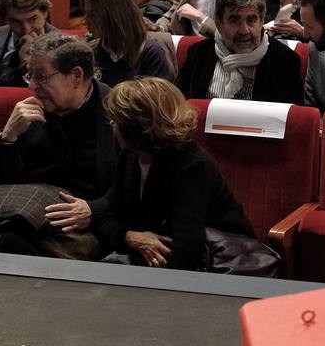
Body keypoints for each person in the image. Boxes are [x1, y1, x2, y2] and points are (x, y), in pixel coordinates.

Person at [0, 33, 115, 257]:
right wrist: (8, 137)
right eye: (30, 76)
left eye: (42, 77)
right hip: (26, 214)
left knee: (7, 244)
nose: (32, 87)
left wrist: (93, 209)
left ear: (76, 76)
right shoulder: (30, 112)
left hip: (83, 225)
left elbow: (134, 187)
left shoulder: (116, 112)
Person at [94, 78, 262, 272]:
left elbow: (186, 248)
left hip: (215, 262)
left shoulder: (191, 165)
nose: (112, 125)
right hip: (157, 258)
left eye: (118, 120)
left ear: (138, 128)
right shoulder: (130, 155)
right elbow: (107, 218)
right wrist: (129, 236)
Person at [177, 0, 302, 103]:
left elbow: (291, 119)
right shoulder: (198, 54)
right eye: (234, 21)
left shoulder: (285, 60)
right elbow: (179, 105)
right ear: (219, 23)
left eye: (251, 20)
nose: (244, 30)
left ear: (261, 21)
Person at [82, 0, 174, 86]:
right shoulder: (91, 51)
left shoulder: (151, 53)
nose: (84, 22)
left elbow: (158, 99)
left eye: (92, 16)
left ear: (114, 18)